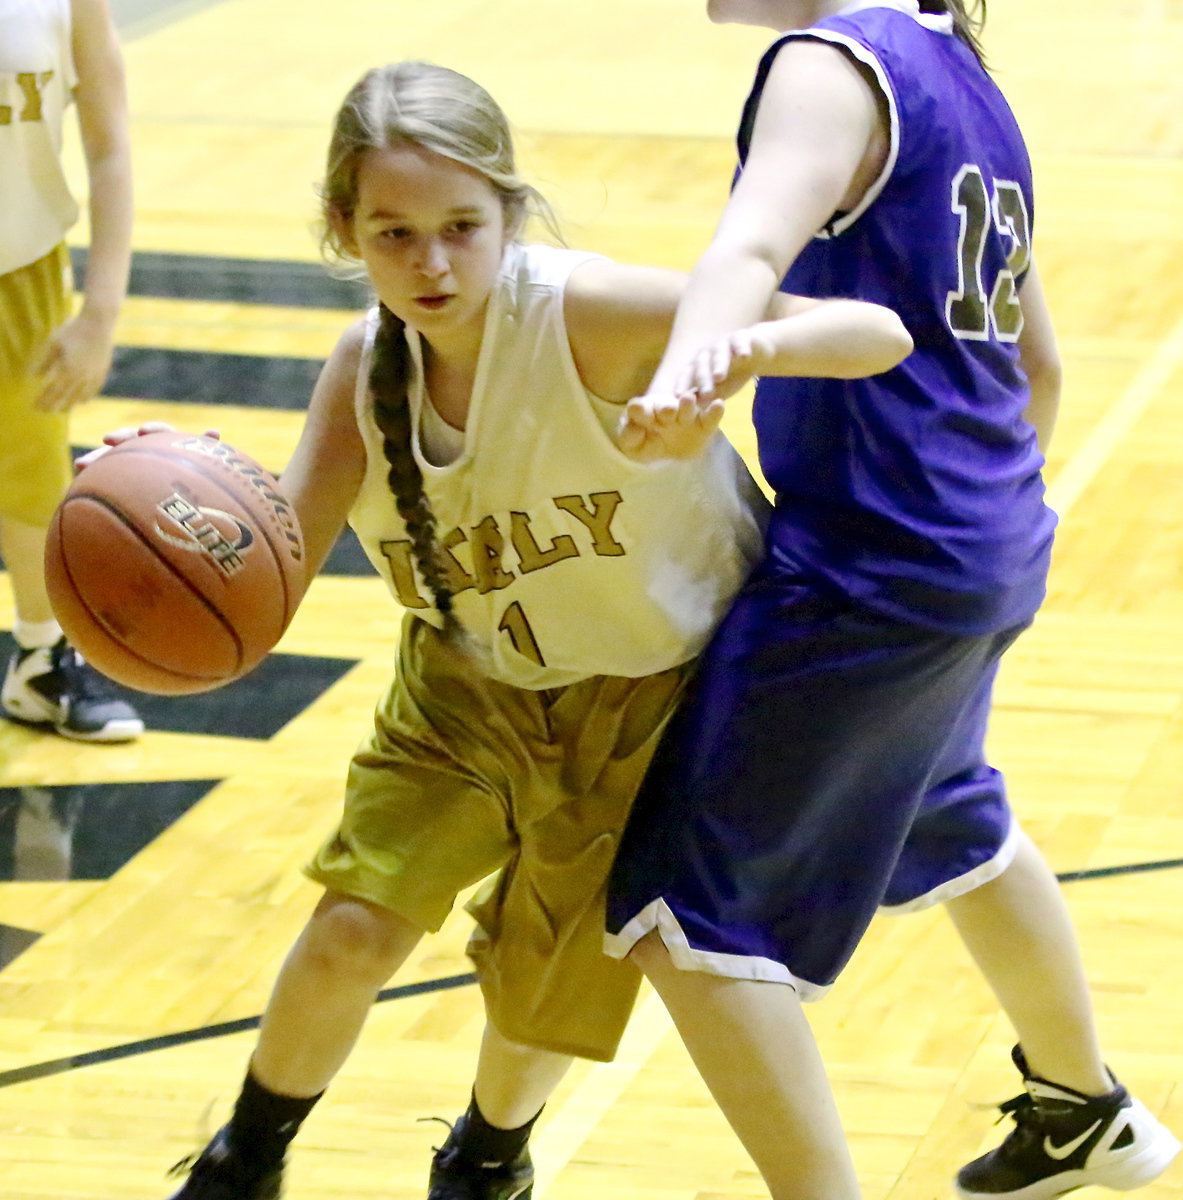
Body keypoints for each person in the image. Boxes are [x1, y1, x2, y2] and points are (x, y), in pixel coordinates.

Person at [110, 60, 913, 1200]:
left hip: (650, 699)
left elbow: (873, 331)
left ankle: (488, 1155)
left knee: (542, 991)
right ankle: (245, 1158)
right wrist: (173, 514)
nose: (430, 263)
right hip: (462, 685)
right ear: (344, 228)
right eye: (392, 233)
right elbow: (264, 584)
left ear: (509, 214)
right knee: (353, 927)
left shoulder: (586, 314)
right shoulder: (362, 372)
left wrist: (728, 348)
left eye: (458, 228)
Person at [591, 2, 1182, 1200]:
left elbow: (744, 257)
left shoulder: (825, 64)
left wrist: (686, 376)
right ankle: (1084, 1107)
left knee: (678, 917)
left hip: (872, 560)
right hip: (983, 537)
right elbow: (1039, 365)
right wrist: (985, 533)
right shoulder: (963, 78)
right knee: (943, 809)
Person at [0, 0, 143, 742]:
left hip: (16, 269)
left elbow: (110, 147)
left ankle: (39, 656)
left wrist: (99, 314)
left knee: (30, 478)